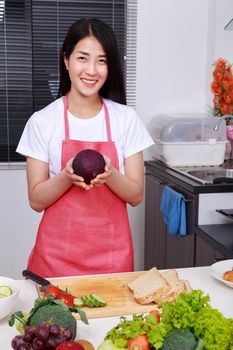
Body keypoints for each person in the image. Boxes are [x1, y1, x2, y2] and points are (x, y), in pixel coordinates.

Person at [16, 18, 154, 278]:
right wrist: (67, 177)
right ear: (66, 60)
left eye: (102, 60)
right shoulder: (43, 121)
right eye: (82, 58)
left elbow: (136, 196)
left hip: (112, 261)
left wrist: (111, 173)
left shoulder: (126, 120)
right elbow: (36, 200)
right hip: (55, 261)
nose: (91, 70)